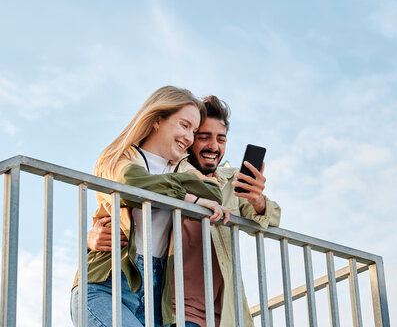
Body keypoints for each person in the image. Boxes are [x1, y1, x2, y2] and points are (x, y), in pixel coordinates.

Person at [88, 95, 281, 327]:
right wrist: (89, 239)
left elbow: (268, 217)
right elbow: (126, 195)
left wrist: (258, 200)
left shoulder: (228, 181)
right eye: (202, 136)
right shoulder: (151, 164)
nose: (213, 146)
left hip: (216, 310)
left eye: (221, 139)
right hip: (171, 306)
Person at [71, 86, 231, 327]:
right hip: (108, 284)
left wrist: (171, 190)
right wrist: (188, 197)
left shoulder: (184, 168)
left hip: (156, 297)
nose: (189, 138)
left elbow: (212, 191)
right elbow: (132, 183)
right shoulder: (118, 157)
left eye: (194, 131)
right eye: (184, 125)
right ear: (158, 120)